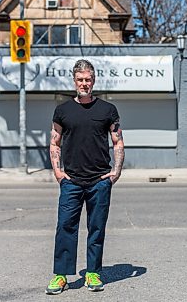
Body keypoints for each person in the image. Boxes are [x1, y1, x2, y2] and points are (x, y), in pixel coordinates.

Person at [45, 59, 125, 295]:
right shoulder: (62, 111)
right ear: (74, 81)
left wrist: (116, 172)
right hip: (71, 181)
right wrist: (59, 173)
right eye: (80, 79)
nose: (84, 83)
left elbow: (118, 141)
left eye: (88, 79)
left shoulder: (107, 110)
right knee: (65, 227)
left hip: (100, 180)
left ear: (94, 80)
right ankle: (61, 276)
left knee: (96, 228)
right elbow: (54, 142)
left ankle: (92, 272)